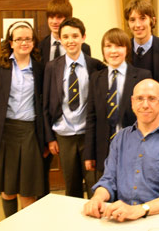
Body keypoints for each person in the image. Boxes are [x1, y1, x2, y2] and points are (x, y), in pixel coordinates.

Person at [83, 79, 159, 222]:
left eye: (152, 98)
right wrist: (97, 198)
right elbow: (108, 180)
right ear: (132, 102)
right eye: (140, 99)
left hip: (158, 219)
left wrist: (140, 209)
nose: (145, 105)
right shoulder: (120, 138)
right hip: (121, 217)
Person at [43, 17, 105, 199]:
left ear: (83, 37)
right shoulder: (52, 67)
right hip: (64, 135)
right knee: (72, 188)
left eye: (75, 36)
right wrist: (49, 138)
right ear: (60, 39)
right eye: (66, 36)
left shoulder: (95, 66)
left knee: (95, 185)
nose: (70, 40)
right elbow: (45, 104)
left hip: (89, 135)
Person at [83, 28, 151, 184]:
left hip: (134, 148)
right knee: (106, 196)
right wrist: (89, 153)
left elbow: (148, 117)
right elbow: (91, 117)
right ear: (103, 50)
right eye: (108, 46)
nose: (113, 51)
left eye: (118, 46)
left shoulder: (142, 76)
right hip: (103, 150)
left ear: (126, 49)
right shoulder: (96, 78)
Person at [0, 21, 45, 217]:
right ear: (11, 42)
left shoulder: (40, 69)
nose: (24, 42)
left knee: (28, 191)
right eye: (19, 39)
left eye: (28, 39)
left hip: (30, 133)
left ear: (33, 42)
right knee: (8, 191)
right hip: (5, 133)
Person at [39, 0, 91, 66]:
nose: (54, 22)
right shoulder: (40, 46)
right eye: (51, 17)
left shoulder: (83, 48)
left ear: (68, 18)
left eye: (59, 17)